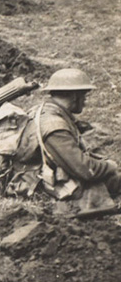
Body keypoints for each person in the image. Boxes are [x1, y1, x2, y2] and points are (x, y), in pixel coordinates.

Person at [7, 69, 121, 210]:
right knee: (110, 180)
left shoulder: (49, 110)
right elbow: (85, 170)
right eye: (84, 95)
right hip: (44, 188)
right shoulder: (54, 126)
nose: (85, 101)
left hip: (45, 176)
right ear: (74, 96)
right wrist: (110, 165)